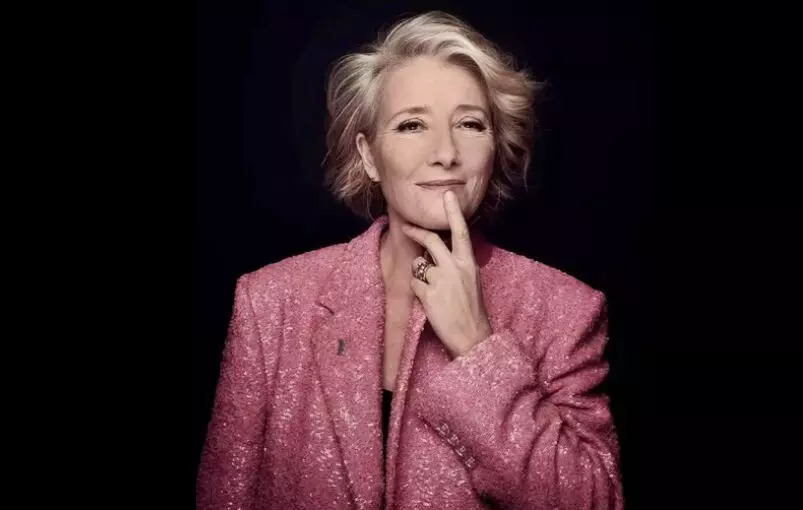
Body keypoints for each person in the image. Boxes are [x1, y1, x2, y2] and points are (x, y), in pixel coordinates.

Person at [197, 11, 623, 510]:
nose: (445, 153)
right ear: (369, 156)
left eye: (470, 124)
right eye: (412, 125)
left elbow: (595, 501)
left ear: (496, 148)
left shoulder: (567, 311)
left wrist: (477, 348)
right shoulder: (269, 302)